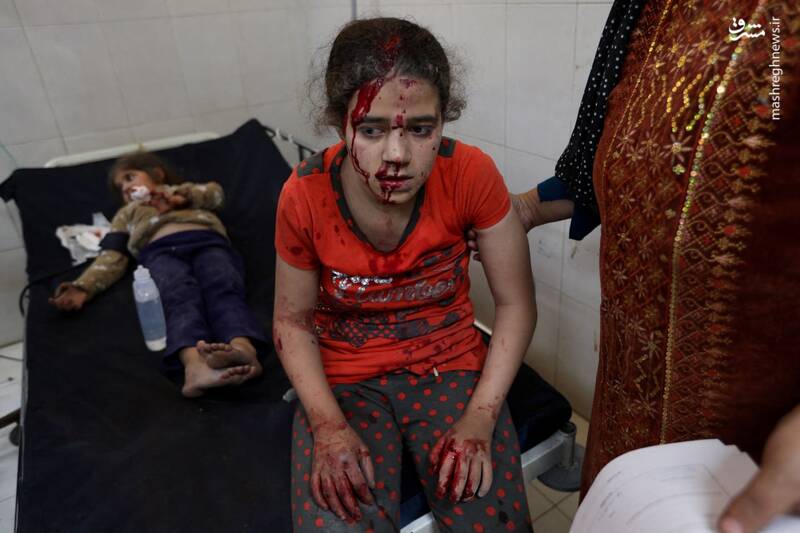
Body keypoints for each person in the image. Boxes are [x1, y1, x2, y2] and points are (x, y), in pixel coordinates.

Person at [469, 1, 800, 531]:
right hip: (626, 397)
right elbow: (599, 162)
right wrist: (526, 209)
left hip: (753, 436)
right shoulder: (642, 8)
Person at [273, 17, 537, 532]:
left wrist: (481, 416)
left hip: (449, 365)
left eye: (420, 129)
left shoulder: (471, 174)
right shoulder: (304, 194)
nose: (396, 156)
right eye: (371, 130)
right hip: (345, 376)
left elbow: (515, 304)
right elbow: (292, 322)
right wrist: (328, 427)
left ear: (443, 121)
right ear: (340, 124)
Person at [49, 152, 265, 397]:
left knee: (223, 288)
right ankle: (195, 366)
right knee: (178, 297)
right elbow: (112, 256)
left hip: (208, 243)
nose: (126, 188)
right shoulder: (128, 212)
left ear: (157, 174)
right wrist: (83, 287)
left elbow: (216, 194)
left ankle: (243, 349)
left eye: (130, 177)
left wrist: (180, 197)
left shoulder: (184, 192)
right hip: (160, 252)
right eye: (121, 188)